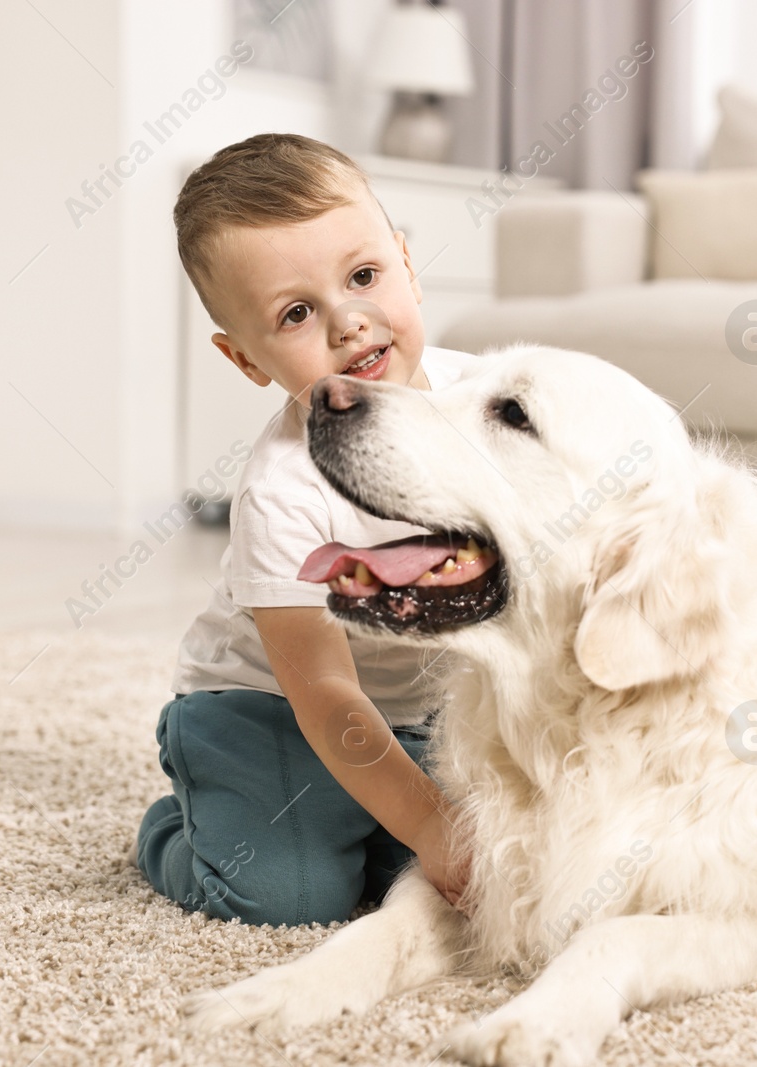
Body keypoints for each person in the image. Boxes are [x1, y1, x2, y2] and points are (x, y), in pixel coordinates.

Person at [134, 132, 476, 926]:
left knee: (451, 864)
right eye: (295, 313)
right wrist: (427, 824)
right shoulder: (283, 493)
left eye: (363, 276)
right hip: (269, 711)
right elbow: (325, 695)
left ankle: (370, 822)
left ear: (407, 265)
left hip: (421, 713)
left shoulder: (488, 404)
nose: (350, 322)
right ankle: (179, 826)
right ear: (246, 359)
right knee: (289, 894)